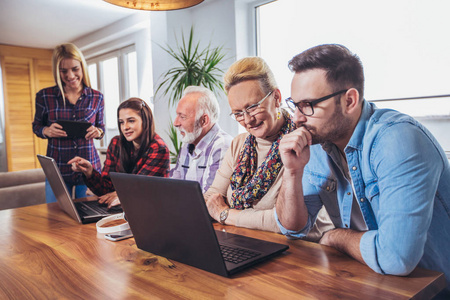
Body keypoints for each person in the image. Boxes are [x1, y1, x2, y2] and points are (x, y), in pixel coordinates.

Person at [275, 44, 450, 296]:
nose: (297, 118)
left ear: (349, 100)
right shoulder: (316, 141)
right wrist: (292, 172)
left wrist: (336, 237)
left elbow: (396, 258)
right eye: (295, 105)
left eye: (308, 105)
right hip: (369, 282)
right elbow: (292, 228)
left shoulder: (398, 141)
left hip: (431, 291)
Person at [204, 57, 333, 241]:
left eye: (253, 107)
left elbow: (284, 222)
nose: (248, 120)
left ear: (276, 97)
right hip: (246, 242)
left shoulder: (304, 142)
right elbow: (211, 198)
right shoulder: (238, 144)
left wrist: (226, 214)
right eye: (238, 113)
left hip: (304, 252)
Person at [33, 43, 105, 203]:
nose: (70, 75)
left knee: (90, 216)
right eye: (63, 71)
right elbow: (36, 126)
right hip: (57, 169)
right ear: (56, 71)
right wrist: (46, 131)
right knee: (55, 219)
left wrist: (98, 132)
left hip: (89, 169)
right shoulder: (44, 96)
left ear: (82, 67)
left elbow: (102, 128)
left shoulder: (97, 97)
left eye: (75, 69)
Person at [68, 97, 170, 208]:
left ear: (145, 121)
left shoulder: (159, 149)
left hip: (150, 210)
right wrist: (89, 171)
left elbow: (139, 189)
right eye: (121, 122)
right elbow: (106, 190)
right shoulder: (116, 143)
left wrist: (119, 193)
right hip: (122, 209)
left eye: (131, 121)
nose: (125, 127)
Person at [171, 86, 232, 193]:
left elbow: (211, 198)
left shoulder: (222, 145)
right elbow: (174, 187)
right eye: (177, 115)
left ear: (204, 120)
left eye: (183, 117)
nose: (176, 123)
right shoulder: (188, 143)